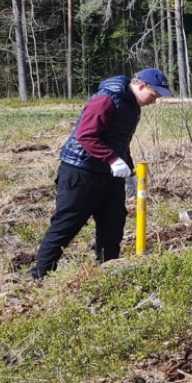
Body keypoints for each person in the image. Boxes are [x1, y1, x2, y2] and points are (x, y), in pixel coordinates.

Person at [31, 68, 173, 279]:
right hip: (80, 172)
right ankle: (39, 275)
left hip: (109, 174)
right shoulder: (106, 100)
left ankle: (108, 272)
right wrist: (113, 160)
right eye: (153, 96)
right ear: (141, 86)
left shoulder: (132, 106)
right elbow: (85, 136)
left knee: (113, 224)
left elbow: (120, 141)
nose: (154, 102)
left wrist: (129, 170)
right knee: (67, 224)